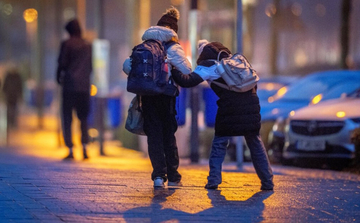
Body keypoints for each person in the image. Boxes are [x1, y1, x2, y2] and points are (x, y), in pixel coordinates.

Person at [171, 40, 274, 191]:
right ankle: (268, 182)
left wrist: (173, 69)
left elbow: (187, 82)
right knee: (255, 143)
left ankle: (213, 180)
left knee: (219, 143)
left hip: (229, 108)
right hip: (252, 105)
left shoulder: (209, 66)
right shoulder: (237, 61)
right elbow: (253, 82)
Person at [123, 7, 192, 188]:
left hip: (147, 95)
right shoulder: (173, 47)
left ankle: (158, 177)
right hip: (166, 96)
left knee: (153, 135)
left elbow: (127, 67)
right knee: (168, 134)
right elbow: (187, 70)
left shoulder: (145, 44)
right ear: (173, 30)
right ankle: (174, 174)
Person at [56, 19, 92, 160]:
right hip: (84, 87)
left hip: (69, 86)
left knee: (67, 117)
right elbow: (90, 66)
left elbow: (62, 63)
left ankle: (70, 149)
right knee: (83, 118)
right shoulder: (87, 45)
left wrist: (58, 77)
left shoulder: (66, 44)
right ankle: (85, 148)